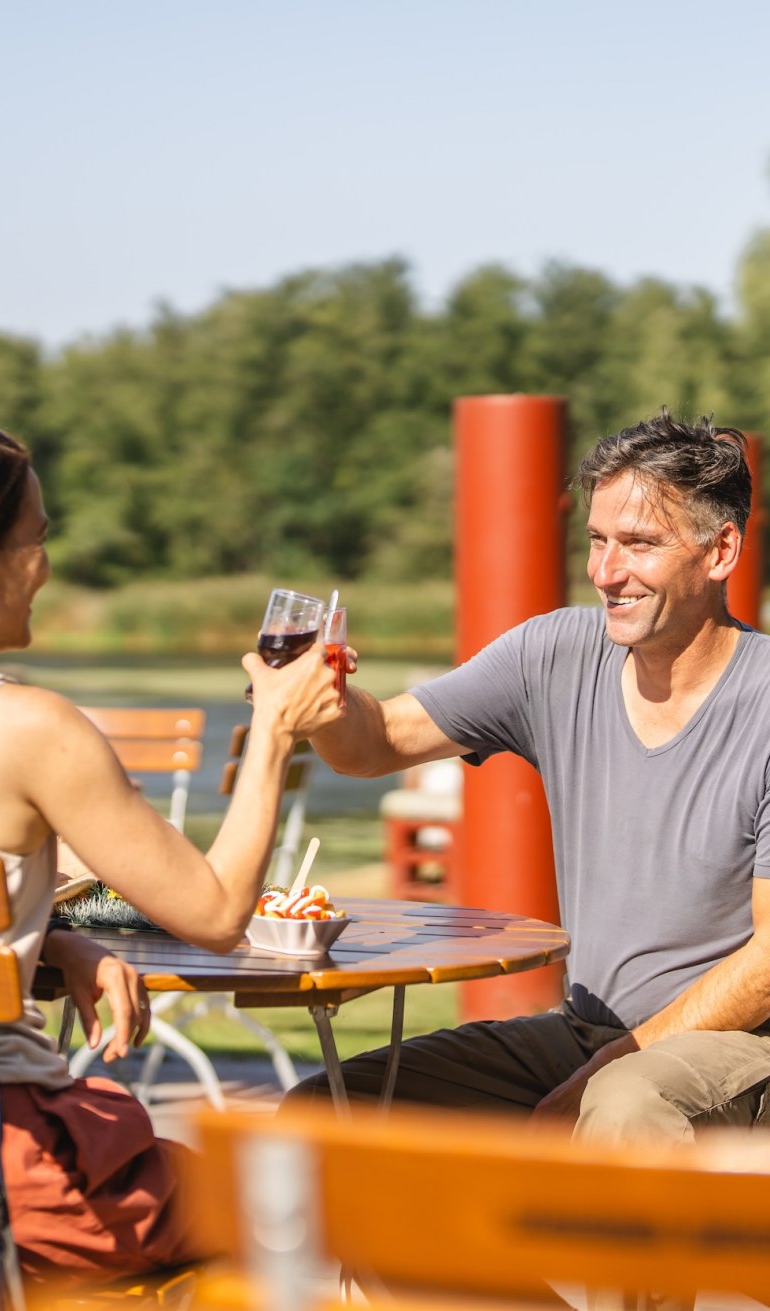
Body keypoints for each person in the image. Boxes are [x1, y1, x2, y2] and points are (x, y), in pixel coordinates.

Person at [0, 414, 343, 1291]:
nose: (46, 566)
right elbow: (213, 915)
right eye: (37, 539)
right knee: (311, 1193)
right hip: (3, 1170)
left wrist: (54, 938)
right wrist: (278, 727)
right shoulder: (27, 727)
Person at [298, 408, 770, 1156]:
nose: (607, 572)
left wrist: (609, 1068)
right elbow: (373, 742)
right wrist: (323, 696)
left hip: (742, 1044)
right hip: (585, 1031)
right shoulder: (552, 652)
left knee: (623, 1105)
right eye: (597, 540)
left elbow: (769, 961)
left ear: (720, 552)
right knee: (331, 1108)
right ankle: (475, 1278)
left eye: (639, 545)